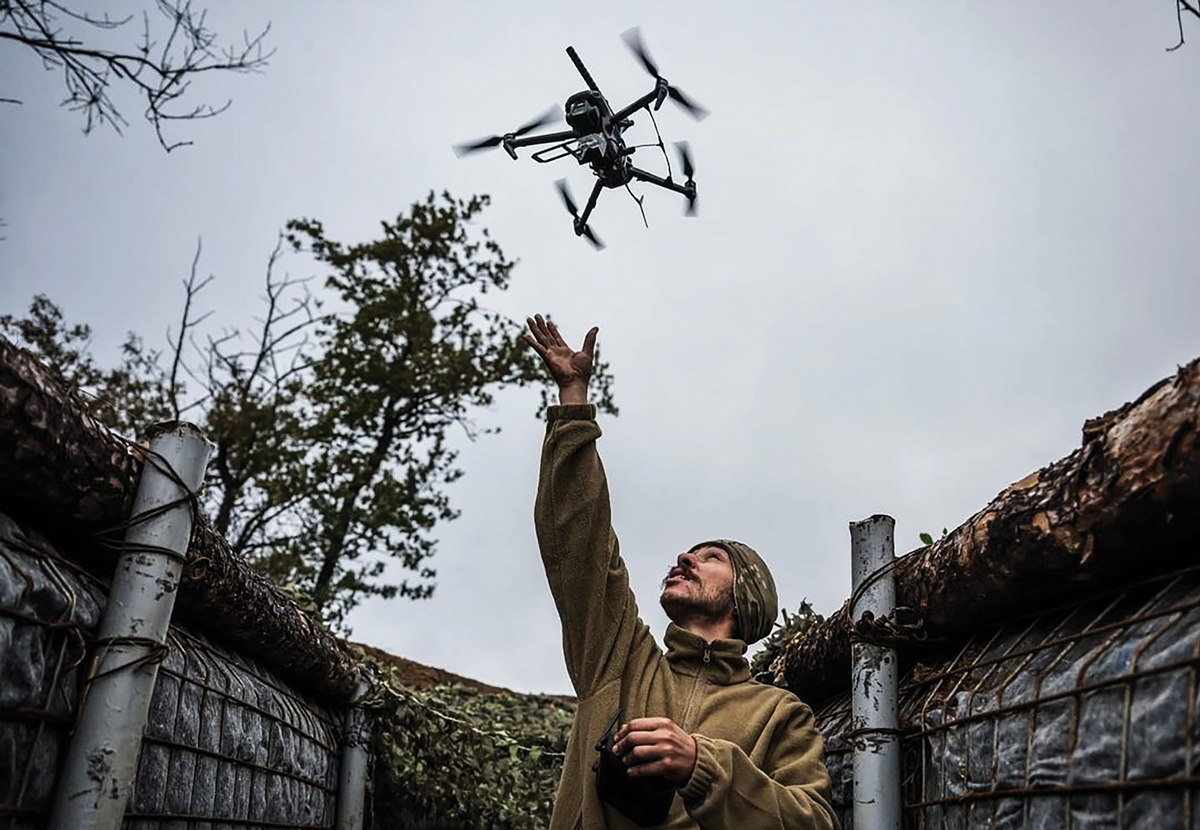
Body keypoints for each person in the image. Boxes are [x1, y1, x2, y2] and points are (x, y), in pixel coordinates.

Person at [524, 315, 838, 830]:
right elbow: (579, 545)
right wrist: (574, 403)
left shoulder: (780, 715)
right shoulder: (617, 658)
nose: (685, 559)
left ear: (747, 596)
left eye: (711, 557)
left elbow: (814, 824)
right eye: (688, 554)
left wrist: (701, 766)